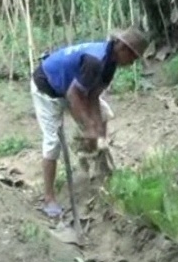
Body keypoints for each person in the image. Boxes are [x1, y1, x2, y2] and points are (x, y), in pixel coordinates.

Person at [31, 28, 149, 218]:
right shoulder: (95, 60)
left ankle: (98, 165)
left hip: (71, 88)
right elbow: (73, 95)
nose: (132, 63)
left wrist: (98, 129)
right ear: (123, 48)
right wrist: (89, 126)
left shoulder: (110, 64)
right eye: (133, 58)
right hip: (47, 87)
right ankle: (49, 198)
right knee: (53, 142)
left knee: (103, 117)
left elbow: (93, 95)